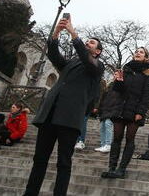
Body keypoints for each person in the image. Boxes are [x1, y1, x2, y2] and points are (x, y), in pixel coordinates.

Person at [24, 16, 104, 196]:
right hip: (50, 115)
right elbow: (54, 56)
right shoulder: (72, 62)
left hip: (69, 119)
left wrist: (73, 33)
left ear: (97, 52)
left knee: (64, 162)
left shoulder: (98, 66)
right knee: (39, 159)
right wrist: (56, 33)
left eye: (91, 43)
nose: (87, 44)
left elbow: (87, 60)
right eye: (88, 41)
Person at [102, 47, 149, 179]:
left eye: (141, 52)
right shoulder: (126, 69)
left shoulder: (148, 73)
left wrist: (141, 112)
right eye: (136, 51)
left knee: (130, 139)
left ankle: (122, 169)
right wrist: (118, 82)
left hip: (135, 110)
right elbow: (118, 90)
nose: (138, 53)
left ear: (146, 56)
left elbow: (147, 95)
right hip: (120, 108)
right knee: (116, 138)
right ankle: (112, 168)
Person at [94, 80, 118, 153]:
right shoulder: (108, 87)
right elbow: (102, 99)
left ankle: (108, 144)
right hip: (104, 110)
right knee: (102, 126)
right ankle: (103, 144)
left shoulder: (120, 86)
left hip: (113, 110)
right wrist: (98, 108)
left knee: (108, 124)